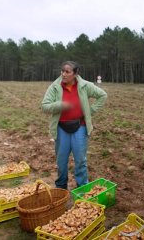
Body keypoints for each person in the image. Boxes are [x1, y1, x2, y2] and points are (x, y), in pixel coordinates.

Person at [42, 61, 107, 190]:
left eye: (67, 72)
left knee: (80, 161)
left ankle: (82, 188)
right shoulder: (55, 87)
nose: (63, 74)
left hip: (80, 127)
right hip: (61, 128)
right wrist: (60, 105)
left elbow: (102, 95)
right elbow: (44, 106)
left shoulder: (85, 86)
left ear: (75, 74)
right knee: (61, 161)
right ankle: (61, 188)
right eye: (62, 71)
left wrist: (90, 111)